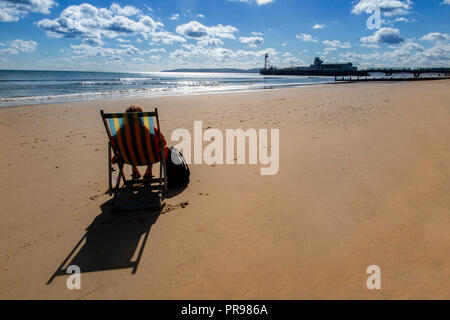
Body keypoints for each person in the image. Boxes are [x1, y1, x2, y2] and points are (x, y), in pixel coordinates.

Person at [112, 105, 167, 180]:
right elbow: (163, 142)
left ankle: (134, 170)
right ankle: (149, 169)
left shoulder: (119, 132)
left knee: (129, 147)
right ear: (141, 117)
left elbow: (114, 145)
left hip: (127, 158)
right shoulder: (150, 130)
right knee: (150, 147)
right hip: (151, 157)